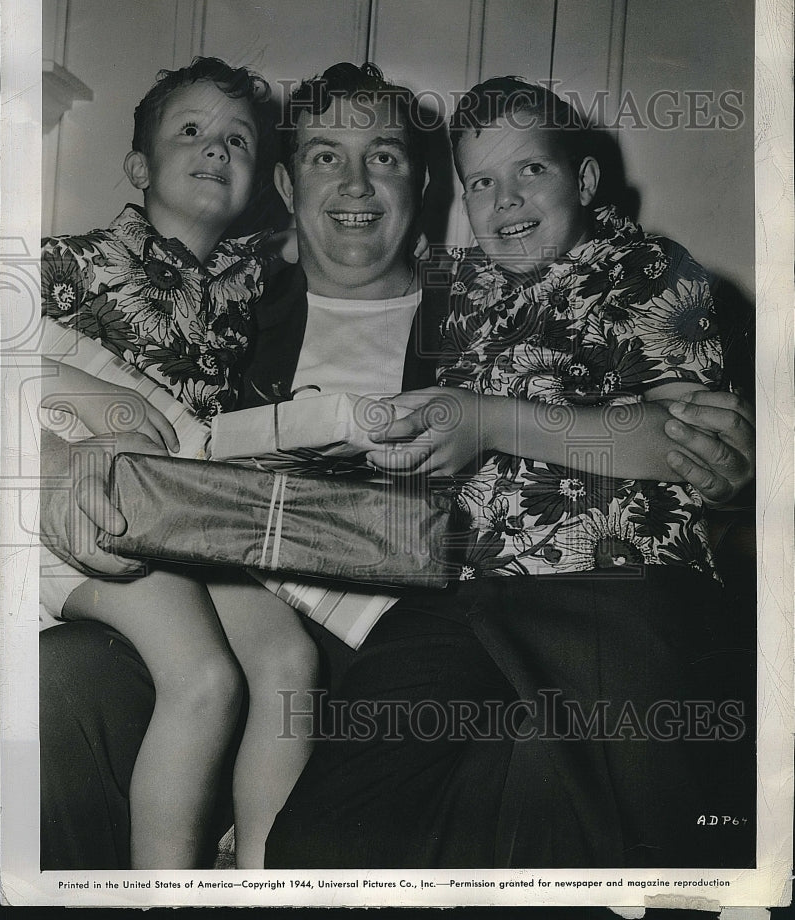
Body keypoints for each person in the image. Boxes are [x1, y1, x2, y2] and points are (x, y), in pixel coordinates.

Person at [39, 63, 756, 870]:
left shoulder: (490, 291)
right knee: (64, 681)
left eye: (382, 155)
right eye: (323, 156)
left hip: (427, 610)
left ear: (421, 181)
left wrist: (725, 453)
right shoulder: (223, 297)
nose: (354, 182)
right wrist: (58, 451)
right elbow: (78, 367)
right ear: (282, 180)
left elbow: (673, 433)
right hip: (246, 623)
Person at [39, 57, 317, 869]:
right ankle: (163, 887)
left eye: (236, 139)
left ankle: (262, 875)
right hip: (93, 497)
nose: (214, 149)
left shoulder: (244, 288)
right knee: (204, 681)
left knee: (289, 658)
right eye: (189, 131)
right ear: (138, 167)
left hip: (182, 503)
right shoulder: (73, 261)